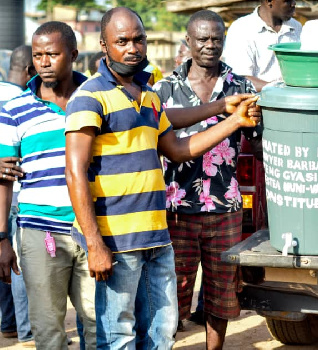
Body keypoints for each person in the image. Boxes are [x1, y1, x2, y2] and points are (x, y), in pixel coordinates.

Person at [64, 7, 260, 349]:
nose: (132, 48)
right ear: (104, 45)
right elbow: (74, 171)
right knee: (119, 334)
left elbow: (178, 150)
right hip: (116, 240)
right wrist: (95, 244)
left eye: (138, 39)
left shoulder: (150, 96)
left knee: (160, 331)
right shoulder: (90, 97)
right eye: (121, 41)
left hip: (156, 235)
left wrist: (234, 121)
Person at [153, 10, 262, 348]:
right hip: (177, 208)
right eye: (202, 39)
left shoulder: (241, 86)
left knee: (221, 290)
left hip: (224, 206)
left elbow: (256, 142)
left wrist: (258, 125)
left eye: (216, 38)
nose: (210, 45)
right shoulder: (165, 88)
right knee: (173, 290)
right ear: (188, 41)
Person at [0, 22, 97, 350]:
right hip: (39, 233)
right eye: (38, 55)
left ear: (72, 55)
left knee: (99, 326)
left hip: (92, 229)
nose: (43, 61)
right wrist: (1, 237)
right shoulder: (14, 110)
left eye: (52, 54)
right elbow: (4, 177)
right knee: (48, 331)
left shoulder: (95, 98)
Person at [0, 45, 35, 345]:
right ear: (29, 71)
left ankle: (9, 323)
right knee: (18, 264)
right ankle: (23, 328)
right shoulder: (27, 100)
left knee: (2, 255)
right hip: (19, 193)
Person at [222, 0, 301, 91]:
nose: (293, 3)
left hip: (292, 98)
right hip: (256, 101)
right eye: (287, 1)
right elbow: (239, 79)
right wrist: (279, 89)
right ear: (269, 1)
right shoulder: (242, 29)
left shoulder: (297, 28)